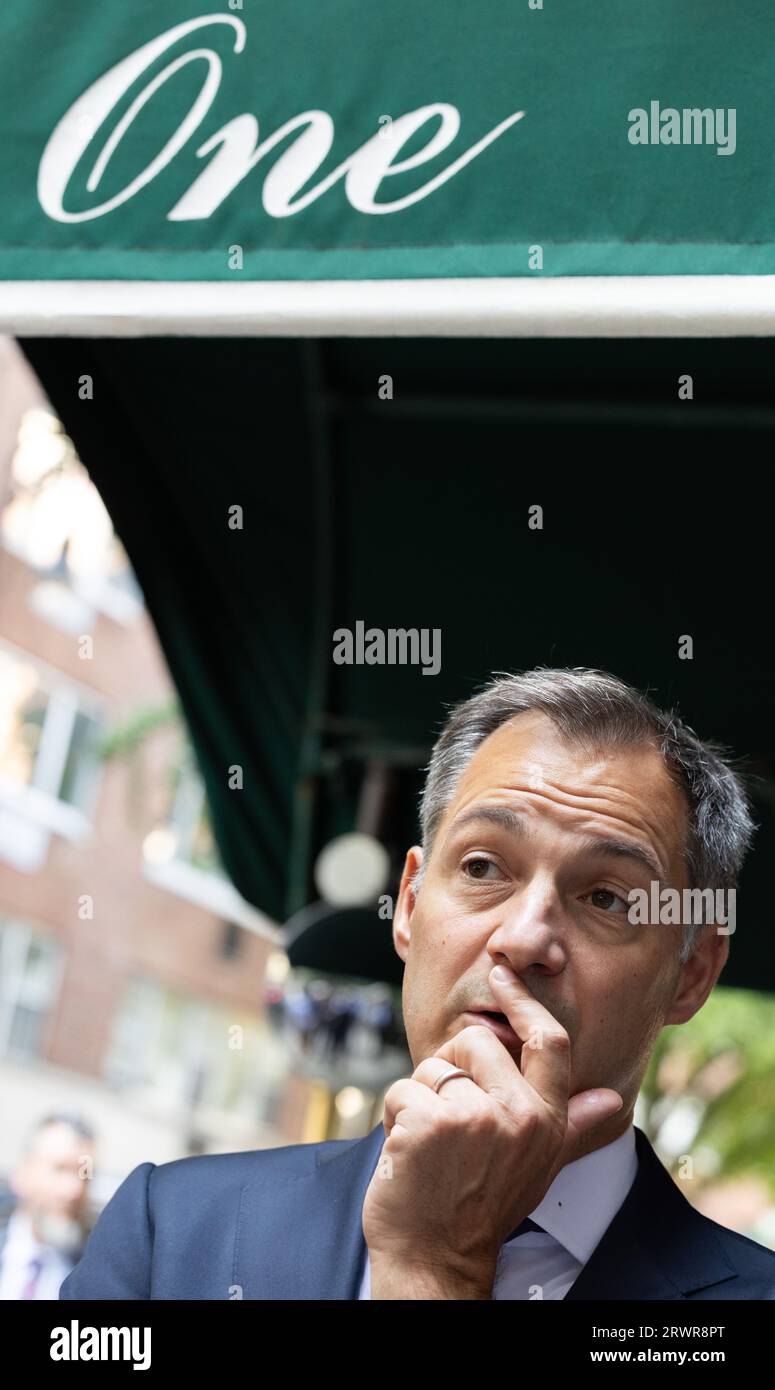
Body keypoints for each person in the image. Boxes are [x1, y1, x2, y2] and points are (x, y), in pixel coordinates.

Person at [60, 668, 775, 1299]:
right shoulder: (174, 1233)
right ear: (407, 905)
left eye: (606, 899)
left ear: (691, 975)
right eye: (482, 868)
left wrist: (435, 1267)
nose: (523, 939)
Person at [0, 1113, 95, 1299]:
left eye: (86, 1175)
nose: (74, 1189)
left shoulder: (93, 1274)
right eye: (60, 1169)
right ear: (24, 1172)